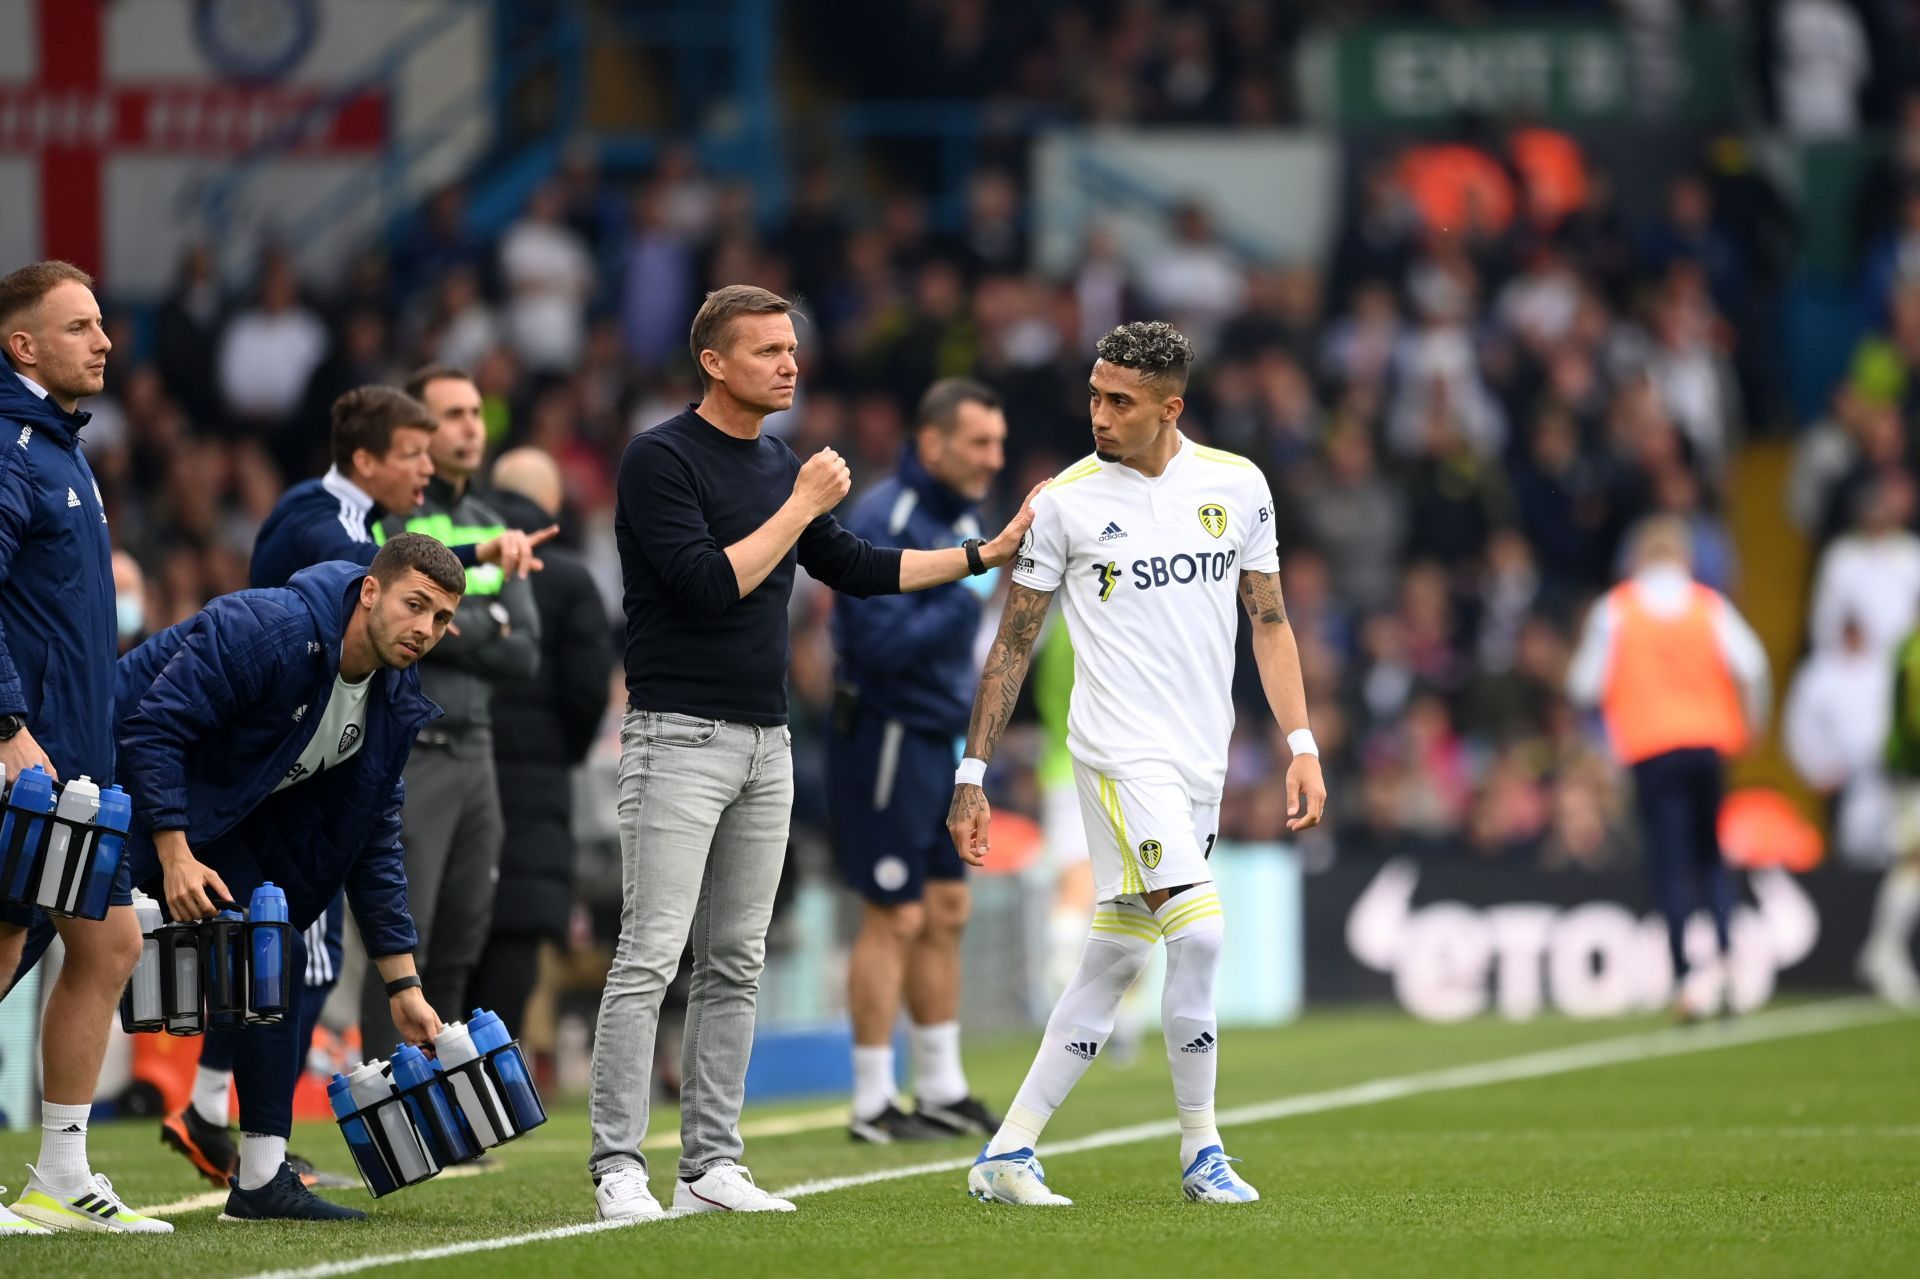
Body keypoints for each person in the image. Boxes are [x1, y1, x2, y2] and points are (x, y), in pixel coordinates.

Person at [588, 285, 1036, 1222]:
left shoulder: (781, 463)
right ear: (714, 363)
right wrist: (798, 506)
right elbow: (713, 585)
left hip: (767, 740)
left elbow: (863, 567)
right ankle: (618, 1164)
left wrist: (983, 553)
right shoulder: (659, 458)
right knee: (651, 955)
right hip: (679, 735)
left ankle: (711, 1161)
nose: (790, 364)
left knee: (736, 959)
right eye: (767, 350)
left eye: (791, 347)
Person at [949, 321, 1326, 1208]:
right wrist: (973, 772)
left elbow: (1270, 622)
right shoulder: (1066, 502)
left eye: (1121, 401)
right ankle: (1203, 1151)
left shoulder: (1237, 486)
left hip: (1202, 757)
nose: (1101, 414)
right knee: (1199, 932)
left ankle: (1007, 1154)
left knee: (1115, 959)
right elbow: (1014, 638)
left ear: (1171, 406)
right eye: (1094, 395)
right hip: (1117, 752)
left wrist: (1302, 744)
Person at [119, 535, 463, 1221]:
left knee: (270, 948)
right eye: (415, 605)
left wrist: (404, 985)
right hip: (105, 767)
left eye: (443, 618)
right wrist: (175, 851)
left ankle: (262, 1179)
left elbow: (375, 836)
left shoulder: (393, 695)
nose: (425, 629)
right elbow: (150, 728)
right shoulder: (273, 628)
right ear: (371, 592)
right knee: (23, 937)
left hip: (205, 817)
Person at [0, 260, 167, 1236]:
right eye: (79, 326)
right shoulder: (12, 450)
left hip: (74, 767)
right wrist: (9, 727)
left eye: (101, 323)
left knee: (108, 943)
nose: (103, 340)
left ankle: (61, 1173)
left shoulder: (62, 447)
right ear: (22, 346)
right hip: (23, 757)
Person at [828, 377, 1008, 1144]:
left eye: (998, 444)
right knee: (894, 913)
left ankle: (939, 1085)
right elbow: (875, 645)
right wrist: (970, 588)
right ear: (931, 443)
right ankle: (872, 1099)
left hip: (940, 738)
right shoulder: (884, 516)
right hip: (887, 735)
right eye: (978, 443)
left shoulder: (962, 514)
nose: (992, 460)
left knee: (946, 910)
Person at [357, 365, 542, 1054]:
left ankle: (442, 1106)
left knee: (464, 935)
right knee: (408, 941)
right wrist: (481, 627)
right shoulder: (392, 519)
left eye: (474, 412)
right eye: (451, 415)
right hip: (417, 750)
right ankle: (393, 1103)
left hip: (478, 750)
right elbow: (397, 637)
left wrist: (467, 635)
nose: (470, 426)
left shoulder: (492, 522)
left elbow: (525, 650)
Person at [1567, 516, 1771, 1021]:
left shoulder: (1617, 610)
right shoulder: (1708, 605)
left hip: (1651, 748)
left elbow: (1583, 685)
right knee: (1710, 856)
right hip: (1707, 745)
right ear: (1684, 557)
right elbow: (1753, 665)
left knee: (1669, 861)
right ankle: (1726, 962)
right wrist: (1750, 725)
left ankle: (1687, 977)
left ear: (1636, 559)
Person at [471, 447, 615, 1029]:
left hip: (447, 771)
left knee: (445, 947)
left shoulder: (448, 561)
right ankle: (482, 1096)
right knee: (514, 941)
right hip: (535, 798)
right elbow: (588, 692)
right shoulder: (569, 579)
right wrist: (562, 753)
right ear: (552, 504)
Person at [1865, 622, 1920, 1006]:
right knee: (1913, 861)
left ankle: (1883, 952)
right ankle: (1883, 953)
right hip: (1916, 772)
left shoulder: (1908, 645)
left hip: (1908, 769)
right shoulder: (1915, 652)